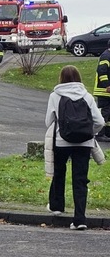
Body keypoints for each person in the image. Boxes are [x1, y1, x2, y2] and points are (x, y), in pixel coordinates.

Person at [44, 65, 105, 230]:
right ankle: (80, 219)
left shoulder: (55, 96)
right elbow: (99, 122)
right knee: (80, 180)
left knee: (59, 173)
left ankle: (57, 206)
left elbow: (48, 121)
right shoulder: (87, 96)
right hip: (84, 144)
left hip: (61, 142)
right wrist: (87, 131)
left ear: (61, 78)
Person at [92, 40, 110, 142]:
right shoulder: (106, 56)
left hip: (106, 91)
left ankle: (107, 132)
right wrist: (107, 85)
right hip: (103, 90)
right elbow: (102, 71)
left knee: (108, 113)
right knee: (105, 112)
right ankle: (100, 133)